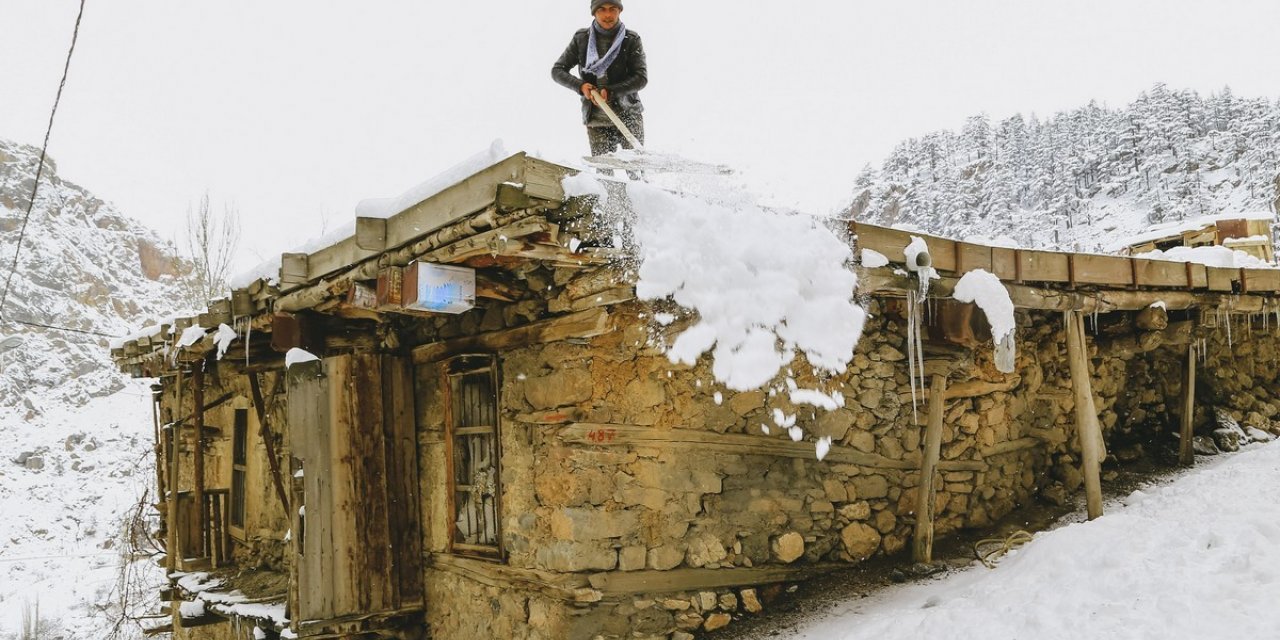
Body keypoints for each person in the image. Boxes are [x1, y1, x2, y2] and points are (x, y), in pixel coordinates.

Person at [551, 0, 647, 156]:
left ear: (620, 11)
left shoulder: (631, 39)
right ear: (594, 12)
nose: (607, 15)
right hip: (596, 120)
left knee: (636, 172)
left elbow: (641, 78)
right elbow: (557, 71)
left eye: (612, 9)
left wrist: (611, 91)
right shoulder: (581, 39)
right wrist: (580, 86)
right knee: (603, 175)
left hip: (628, 115)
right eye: (601, 9)